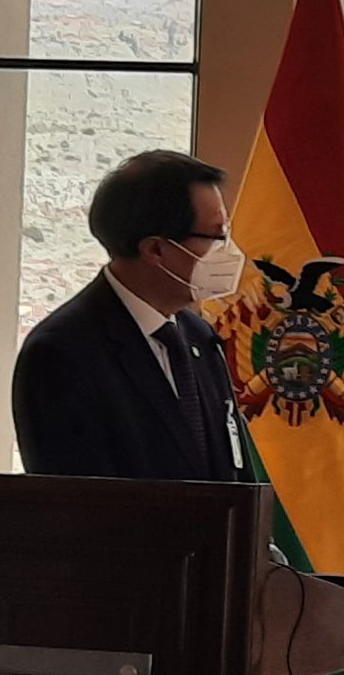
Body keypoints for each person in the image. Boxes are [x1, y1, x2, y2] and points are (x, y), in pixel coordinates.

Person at [13, 149, 254, 483]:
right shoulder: (62, 354)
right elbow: (74, 499)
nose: (228, 251)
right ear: (155, 249)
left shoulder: (200, 336)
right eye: (216, 237)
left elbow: (231, 470)